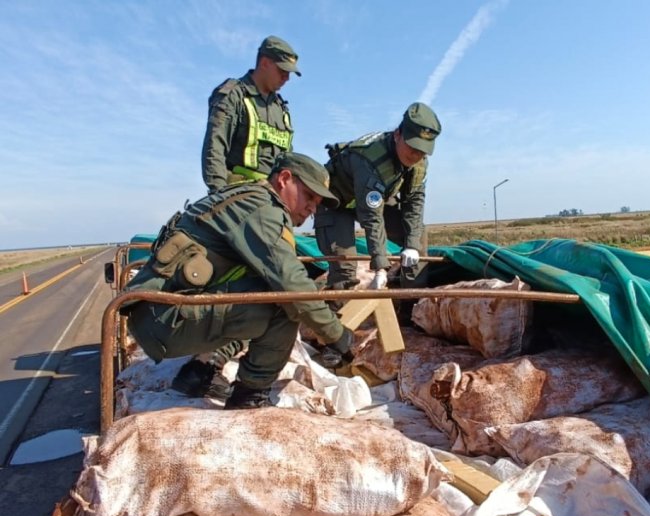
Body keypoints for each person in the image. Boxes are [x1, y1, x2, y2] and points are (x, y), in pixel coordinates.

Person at [123, 152, 353, 409]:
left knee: (266, 290)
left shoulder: (251, 198)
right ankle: (250, 396)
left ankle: (200, 372)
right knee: (283, 305)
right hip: (163, 319)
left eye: (318, 202)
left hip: (159, 312)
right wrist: (337, 336)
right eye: (309, 196)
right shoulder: (262, 210)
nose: (313, 208)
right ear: (285, 179)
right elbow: (292, 285)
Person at [314, 102, 441, 291]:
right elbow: (371, 217)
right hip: (336, 203)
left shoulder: (419, 164)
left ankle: (411, 308)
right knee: (344, 266)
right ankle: (338, 316)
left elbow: (414, 205)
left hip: (372, 201)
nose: (416, 155)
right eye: (412, 147)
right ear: (398, 135)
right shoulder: (370, 160)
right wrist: (381, 266)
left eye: (422, 151)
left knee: (416, 235)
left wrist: (412, 246)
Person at [201, 35, 300, 193]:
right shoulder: (233, 95)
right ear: (265, 63)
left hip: (273, 199)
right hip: (238, 195)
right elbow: (215, 148)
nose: (287, 78)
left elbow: (287, 162)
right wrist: (218, 195)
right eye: (282, 70)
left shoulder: (281, 109)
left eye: (289, 73)